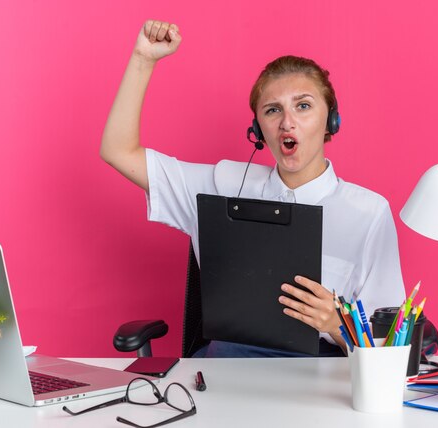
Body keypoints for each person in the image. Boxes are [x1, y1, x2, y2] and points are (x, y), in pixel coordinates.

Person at [101, 20, 405, 357]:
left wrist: (335, 323)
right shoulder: (223, 185)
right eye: (273, 110)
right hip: (226, 369)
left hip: (320, 375)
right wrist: (144, 59)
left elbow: (390, 345)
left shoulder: (368, 212)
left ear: (331, 120)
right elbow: (118, 151)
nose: (287, 122)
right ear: (258, 130)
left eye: (303, 106)